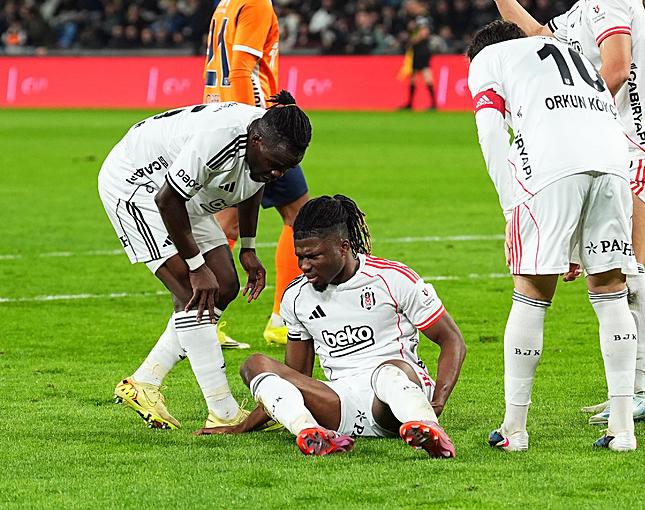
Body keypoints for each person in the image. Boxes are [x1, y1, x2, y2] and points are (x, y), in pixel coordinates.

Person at [476, 0, 645, 426]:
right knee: (614, 273)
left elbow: (614, 67)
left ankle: (641, 390)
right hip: (610, 148)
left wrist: (576, 118)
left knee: (623, 271)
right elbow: (544, 42)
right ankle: (635, 391)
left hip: (638, 145)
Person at [466, 20, 639, 452]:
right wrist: (575, 239)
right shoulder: (567, 51)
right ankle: (623, 429)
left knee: (530, 291)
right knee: (611, 291)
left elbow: (491, 132)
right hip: (614, 165)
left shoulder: (488, 57)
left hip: (551, 167)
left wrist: (511, 207)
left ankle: (514, 429)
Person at [99, 92, 312, 430]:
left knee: (225, 285)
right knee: (191, 290)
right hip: (139, 185)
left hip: (181, 189)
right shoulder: (218, 140)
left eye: (286, 167)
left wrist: (248, 247)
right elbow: (167, 200)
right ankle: (222, 411)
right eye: (275, 163)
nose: (278, 172)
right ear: (255, 140)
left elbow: (255, 182)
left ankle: (144, 382)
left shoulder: (264, 146)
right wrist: (197, 267)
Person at [194, 195, 466, 458]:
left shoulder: (392, 279)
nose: (304, 266)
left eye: (314, 256)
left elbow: (451, 340)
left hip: (396, 402)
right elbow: (294, 376)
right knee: (255, 364)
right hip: (343, 405)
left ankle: (426, 424)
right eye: (300, 257)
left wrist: (439, 400)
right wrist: (243, 426)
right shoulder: (296, 296)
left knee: (388, 372)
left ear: (343, 246)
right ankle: (310, 432)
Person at [202, 0, 308, 348]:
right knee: (299, 216)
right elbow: (242, 69)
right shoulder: (259, 2)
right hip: (254, 133)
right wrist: (257, 129)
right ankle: (282, 318)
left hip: (222, 121)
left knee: (227, 224)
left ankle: (204, 319)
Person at [399, 0, 437, 110]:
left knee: (425, 73)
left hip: (421, 48)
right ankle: (412, 103)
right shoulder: (421, 17)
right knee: (414, 75)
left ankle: (432, 103)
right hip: (420, 49)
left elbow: (424, 33)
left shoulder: (421, 17)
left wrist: (412, 41)